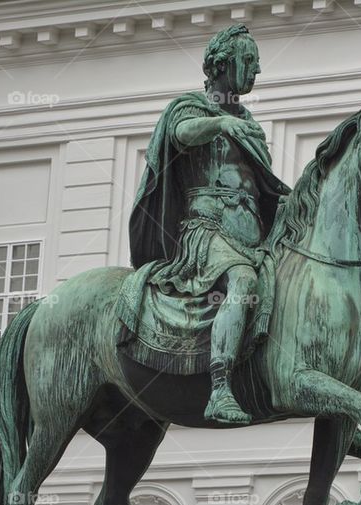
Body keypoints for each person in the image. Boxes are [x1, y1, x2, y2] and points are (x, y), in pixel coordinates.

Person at [128, 24, 289, 424]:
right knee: (243, 282)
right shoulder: (191, 107)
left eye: (256, 62)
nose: (256, 70)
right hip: (207, 231)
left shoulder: (247, 121)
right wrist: (219, 123)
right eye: (248, 61)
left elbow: (261, 186)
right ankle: (219, 390)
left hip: (253, 234)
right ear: (221, 64)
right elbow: (181, 135)